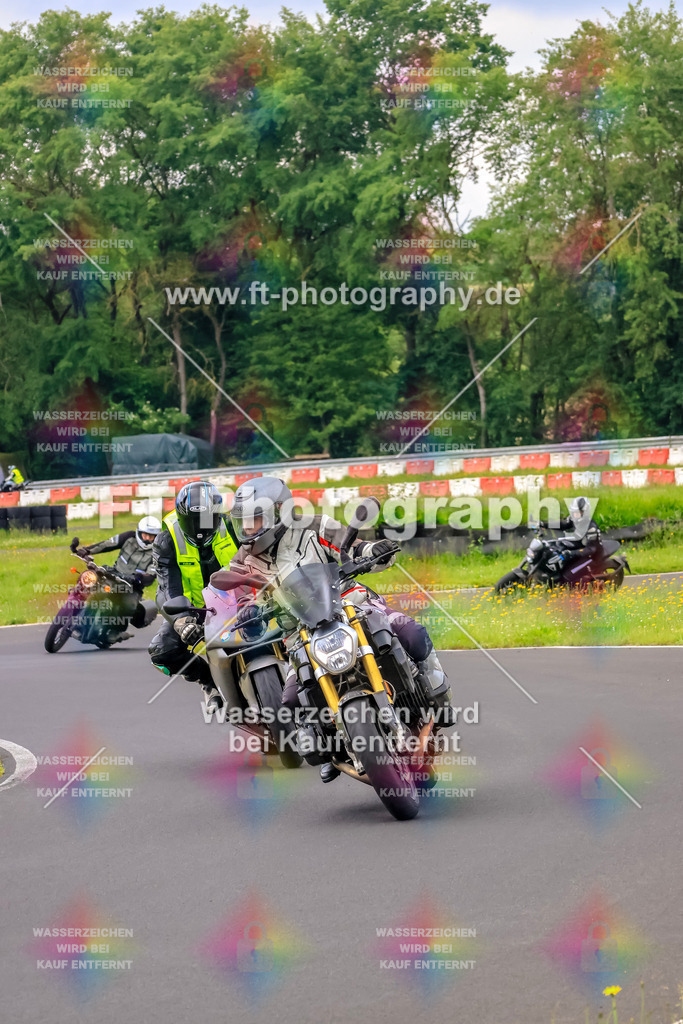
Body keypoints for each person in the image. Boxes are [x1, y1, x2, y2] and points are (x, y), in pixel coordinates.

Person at [219, 476, 454, 782]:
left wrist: (374, 551)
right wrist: (248, 614)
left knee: (412, 633)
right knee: (291, 700)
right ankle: (334, 745)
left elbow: (353, 547)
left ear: (279, 511)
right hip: (300, 634)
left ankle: (439, 696)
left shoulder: (316, 527)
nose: (249, 529)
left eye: (256, 519)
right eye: (244, 522)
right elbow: (242, 601)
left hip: (352, 606)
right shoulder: (243, 562)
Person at [148, 481, 238, 713]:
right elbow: (167, 587)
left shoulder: (233, 527)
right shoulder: (166, 540)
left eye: (205, 519)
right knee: (162, 652)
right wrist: (181, 620)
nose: (199, 527)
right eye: (192, 520)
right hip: (196, 610)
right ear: (181, 518)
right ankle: (209, 682)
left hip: (240, 601)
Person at [77, 515, 162, 632]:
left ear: (156, 537)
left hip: (132, 587)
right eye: (145, 535)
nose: (147, 539)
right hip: (113, 575)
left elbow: (151, 575)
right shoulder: (129, 537)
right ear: (139, 532)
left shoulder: (157, 553)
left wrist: (139, 578)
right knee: (92, 583)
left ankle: (115, 631)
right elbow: (107, 544)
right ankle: (78, 610)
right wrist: (87, 550)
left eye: (151, 536)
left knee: (128, 606)